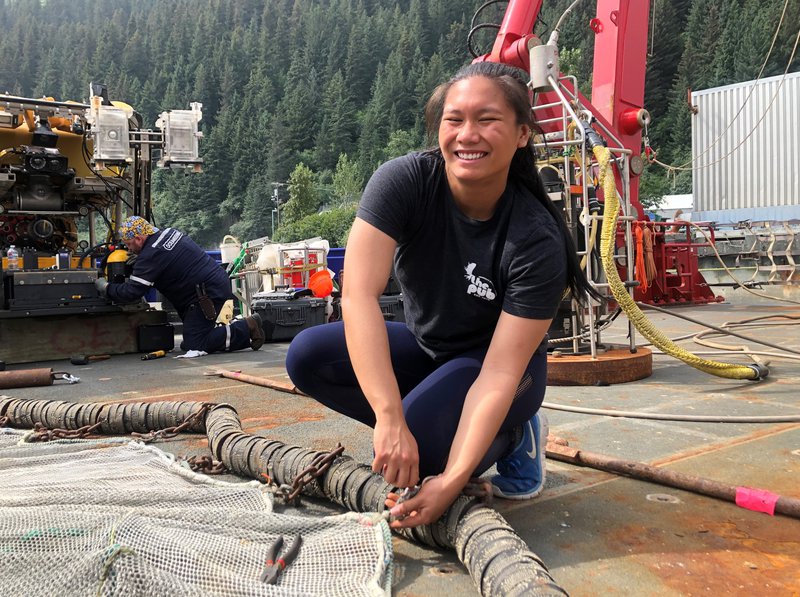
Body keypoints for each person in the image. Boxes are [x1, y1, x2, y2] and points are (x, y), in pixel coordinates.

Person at [285, 62, 596, 529]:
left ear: (522, 134)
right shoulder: (405, 182)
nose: (467, 135)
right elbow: (358, 297)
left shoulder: (534, 239)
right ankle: (427, 420)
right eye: (455, 120)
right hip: (431, 351)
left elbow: (498, 372)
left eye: (488, 120)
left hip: (498, 372)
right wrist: (390, 419)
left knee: (428, 454)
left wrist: (451, 480)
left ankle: (515, 436)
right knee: (308, 356)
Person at [95, 216, 265, 354]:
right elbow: (166, 261)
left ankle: (247, 327)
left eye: (129, 244)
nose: (129, 249)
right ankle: (232, 328)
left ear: (139, 238)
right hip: (210, 285)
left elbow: (132, 291)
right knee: (192, 337)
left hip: (205, 294)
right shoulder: (169, 233)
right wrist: (141, 262)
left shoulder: (150, 255)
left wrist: (106, 288)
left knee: (195, 343)